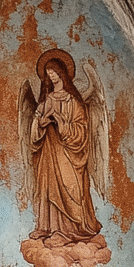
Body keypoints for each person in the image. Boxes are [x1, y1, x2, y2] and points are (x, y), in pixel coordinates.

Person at [28, 53, 101, 243]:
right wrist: (41, 123)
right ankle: (49, 227)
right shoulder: (47, 100)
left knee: (70, 188)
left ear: (63, 74)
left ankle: (69, 230)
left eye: (54, 72)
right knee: (48, 188)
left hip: (68, 154)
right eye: (48, 73)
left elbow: (81, 132)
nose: (51, 76)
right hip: (49, 153)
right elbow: (34, 131)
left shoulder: (73, 102)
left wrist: (62, 124)